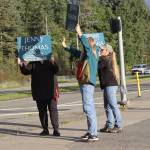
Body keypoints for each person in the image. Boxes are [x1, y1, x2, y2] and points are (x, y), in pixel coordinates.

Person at [62, 24, 100, 141]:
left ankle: (93, 133)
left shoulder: (91, 54)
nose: (84, 48)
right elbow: (76, 52)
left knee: (88, 108)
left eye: (86, 45)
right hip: (85, 83)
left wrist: (79, 33)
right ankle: (90, 131)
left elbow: (86, 48)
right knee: (88, 107)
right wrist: (65, 47)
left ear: (90, 44)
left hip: (87, 83)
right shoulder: (86, 54)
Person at [18, 56, 60, 136]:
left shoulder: (50, 59)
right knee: (42, 111)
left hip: (51, 90)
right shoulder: (34, 62)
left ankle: (56, 129)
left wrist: (53, 62)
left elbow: (57, 70)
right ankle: (45, 129)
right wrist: (21, 64)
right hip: (39, 90)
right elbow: (26, 71)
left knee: (53, 110)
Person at [98, 44, 122, 133]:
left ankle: (118, 125)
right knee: (107, 106)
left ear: (107, 52)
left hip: (110, 85)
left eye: (102, 50)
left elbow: (99, 67)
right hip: (107, 85)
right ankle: (109, 124)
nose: (100, 51)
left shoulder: (107, 60)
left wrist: (98, 57)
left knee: (113, 106)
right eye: (100, 50)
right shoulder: (104, 59)